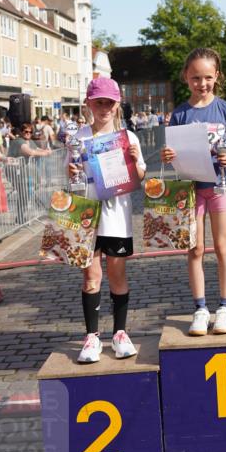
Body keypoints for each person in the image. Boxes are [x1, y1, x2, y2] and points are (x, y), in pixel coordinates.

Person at [161, 47, 226, 337]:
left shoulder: (224, 108)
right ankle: (200, 308)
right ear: (186, 77)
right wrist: (168, 155)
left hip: (220, 186)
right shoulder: (180, 113)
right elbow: (173, 153)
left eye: (207, 77)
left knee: (222, 246)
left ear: (216, 76)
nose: (202, 83)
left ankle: (225, 307)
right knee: (194, 248)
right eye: (196, 78)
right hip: (191, 189)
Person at [69, 78, 146, 364]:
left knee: (117, 274)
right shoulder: (78, 137)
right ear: (89, 103)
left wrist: (136, 162)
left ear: (117, 106)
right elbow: (73, 176)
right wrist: (72, 168)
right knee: (91, 276)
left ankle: (119, 333)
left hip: (116, 217)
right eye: (98, 101)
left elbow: (138, 179)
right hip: (87, 216)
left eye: (109, 103)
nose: (103, 107)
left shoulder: (129, 137)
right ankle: (91, 337)